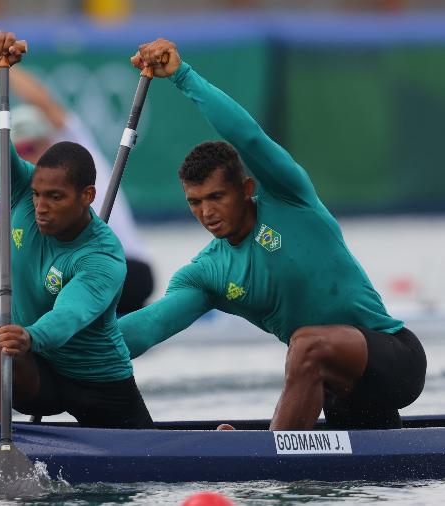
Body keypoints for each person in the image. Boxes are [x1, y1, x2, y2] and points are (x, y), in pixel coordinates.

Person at [121, 38, 426, 430]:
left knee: (306, 345)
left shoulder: (288, 198)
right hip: (335, 390)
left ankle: (270, 460)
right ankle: (274, 451)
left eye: (216, 197)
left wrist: (183, 76)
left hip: (395, 361)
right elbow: (148, 327)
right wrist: (53, 346)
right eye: (195, 202)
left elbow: (248, 137)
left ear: (247, 190)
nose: (207, 213)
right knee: (366, 481)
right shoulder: (207, 273)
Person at [0, 31, 153, 429]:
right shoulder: (19, 193)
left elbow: (69, 314)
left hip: (100, 384)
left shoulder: (103, 255)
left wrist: (31, 337)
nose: (40, 206)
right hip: (42, 376)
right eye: (37, 195)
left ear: (87, 196)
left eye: (55, 197)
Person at [0, 36, 156, 314]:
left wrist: (1, 64)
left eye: (33, 145)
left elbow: (42, 101)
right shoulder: (25, 188)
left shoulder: (76, 150)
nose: (28, 154)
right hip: (84, 278)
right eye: (21, 148)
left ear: (49, 139)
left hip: (129, 271)